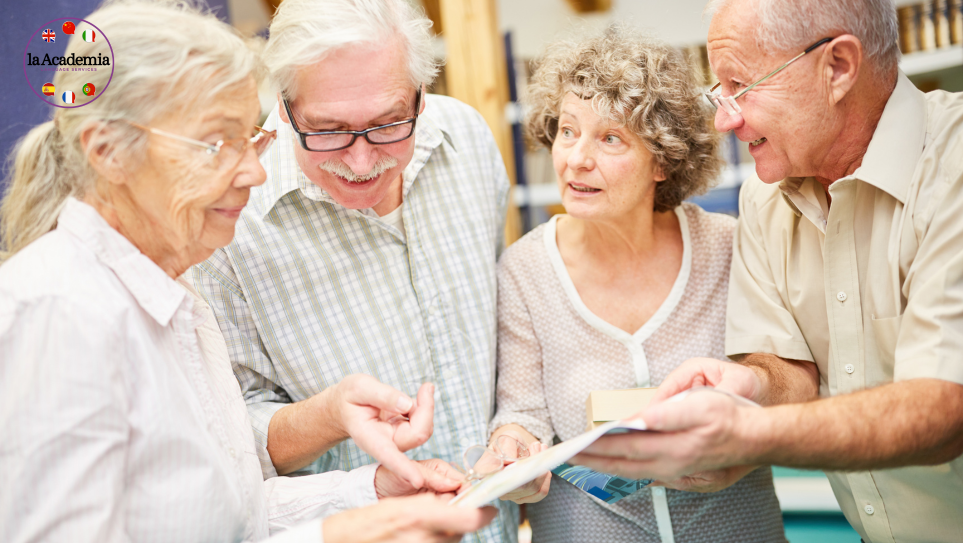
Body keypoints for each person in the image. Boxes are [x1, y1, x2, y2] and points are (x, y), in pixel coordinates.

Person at [0, 2, 495, 541]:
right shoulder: (56, 312)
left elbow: (232, 511)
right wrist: (334, 536)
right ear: (109, 153)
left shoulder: (174, 297)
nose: (255, 170)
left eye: (248, 138)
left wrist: (368, 495)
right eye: (216, 144)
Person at [572, 1, 963, 542]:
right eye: (719, 90)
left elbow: (944, 405)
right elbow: (791, 372)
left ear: (838, 68)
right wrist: (750, 385)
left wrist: (748, 435)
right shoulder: (765, 196)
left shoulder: (955, 164)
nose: (724, 118)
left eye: (741, 85)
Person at [191, 0, 515, 540]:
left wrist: (515, 430)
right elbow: (226, 442)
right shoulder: (230, 221)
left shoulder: (468, 141)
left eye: (389, 124)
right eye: (328, 130)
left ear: (421, 95)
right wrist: (327, 415)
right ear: (285, 106)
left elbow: (501, 334)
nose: (362, 162)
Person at [487, 26, 785, 543]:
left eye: (610, 138)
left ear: (663, 160)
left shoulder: (728, 247)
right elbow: (522, 413)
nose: (576, 158)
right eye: (567, 130)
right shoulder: (524, 270)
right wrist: (511, 449)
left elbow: (782, 386)